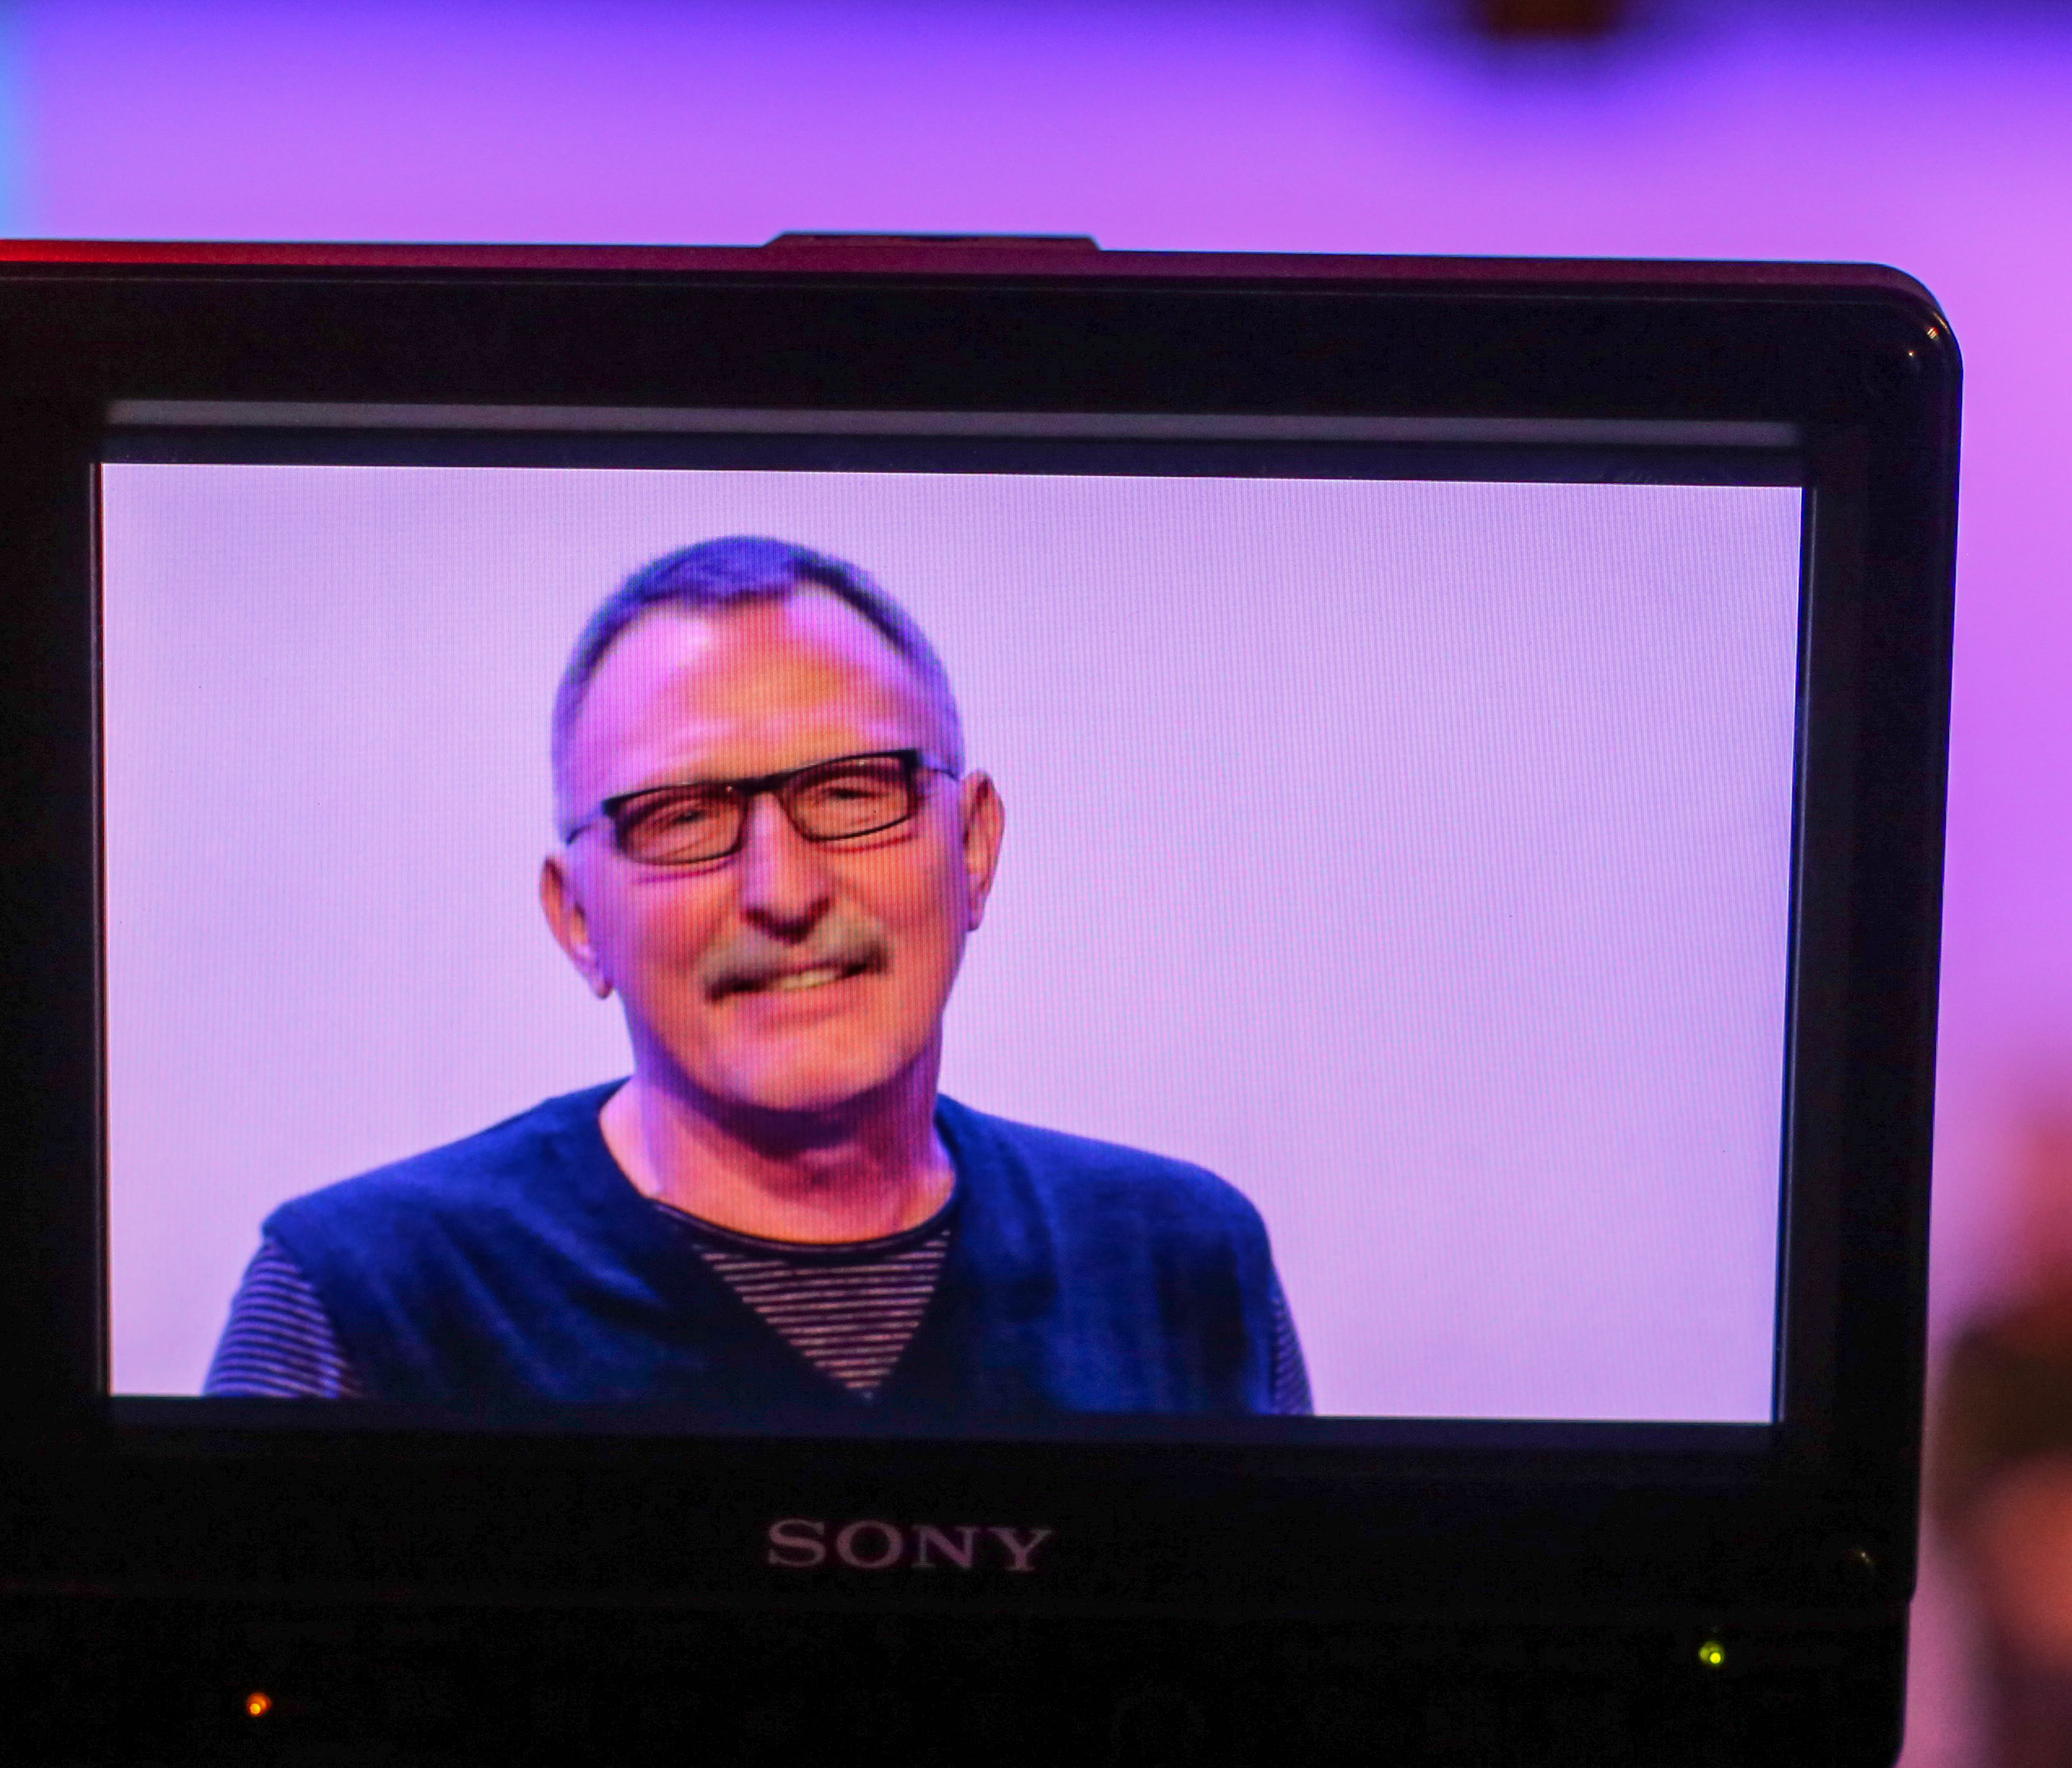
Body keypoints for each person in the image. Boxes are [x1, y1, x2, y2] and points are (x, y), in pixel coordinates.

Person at [207, 535, 1306, 1417]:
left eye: (853, 791)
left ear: (973, 849)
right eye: (683, 817)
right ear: (578, 919)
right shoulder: (363, 1296)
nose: (783, 891)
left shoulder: (1182, 1266)